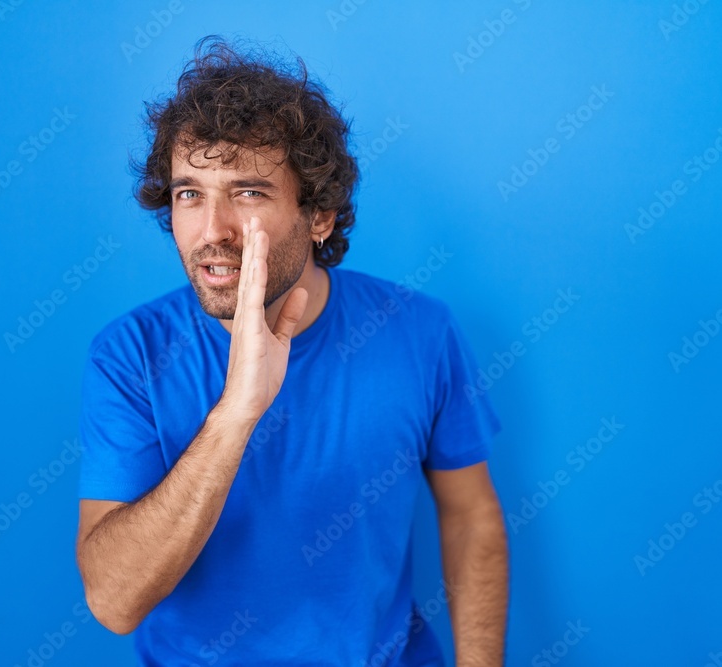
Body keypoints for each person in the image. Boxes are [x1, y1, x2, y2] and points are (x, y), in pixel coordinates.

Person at [75, 35, 508, 666]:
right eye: (189, 193)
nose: (213, 230)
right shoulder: (130, 355)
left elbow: (472, 519)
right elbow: (114, 602)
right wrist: (237, 411)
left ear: (320, 216)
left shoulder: (420, 333)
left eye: (248, 192)